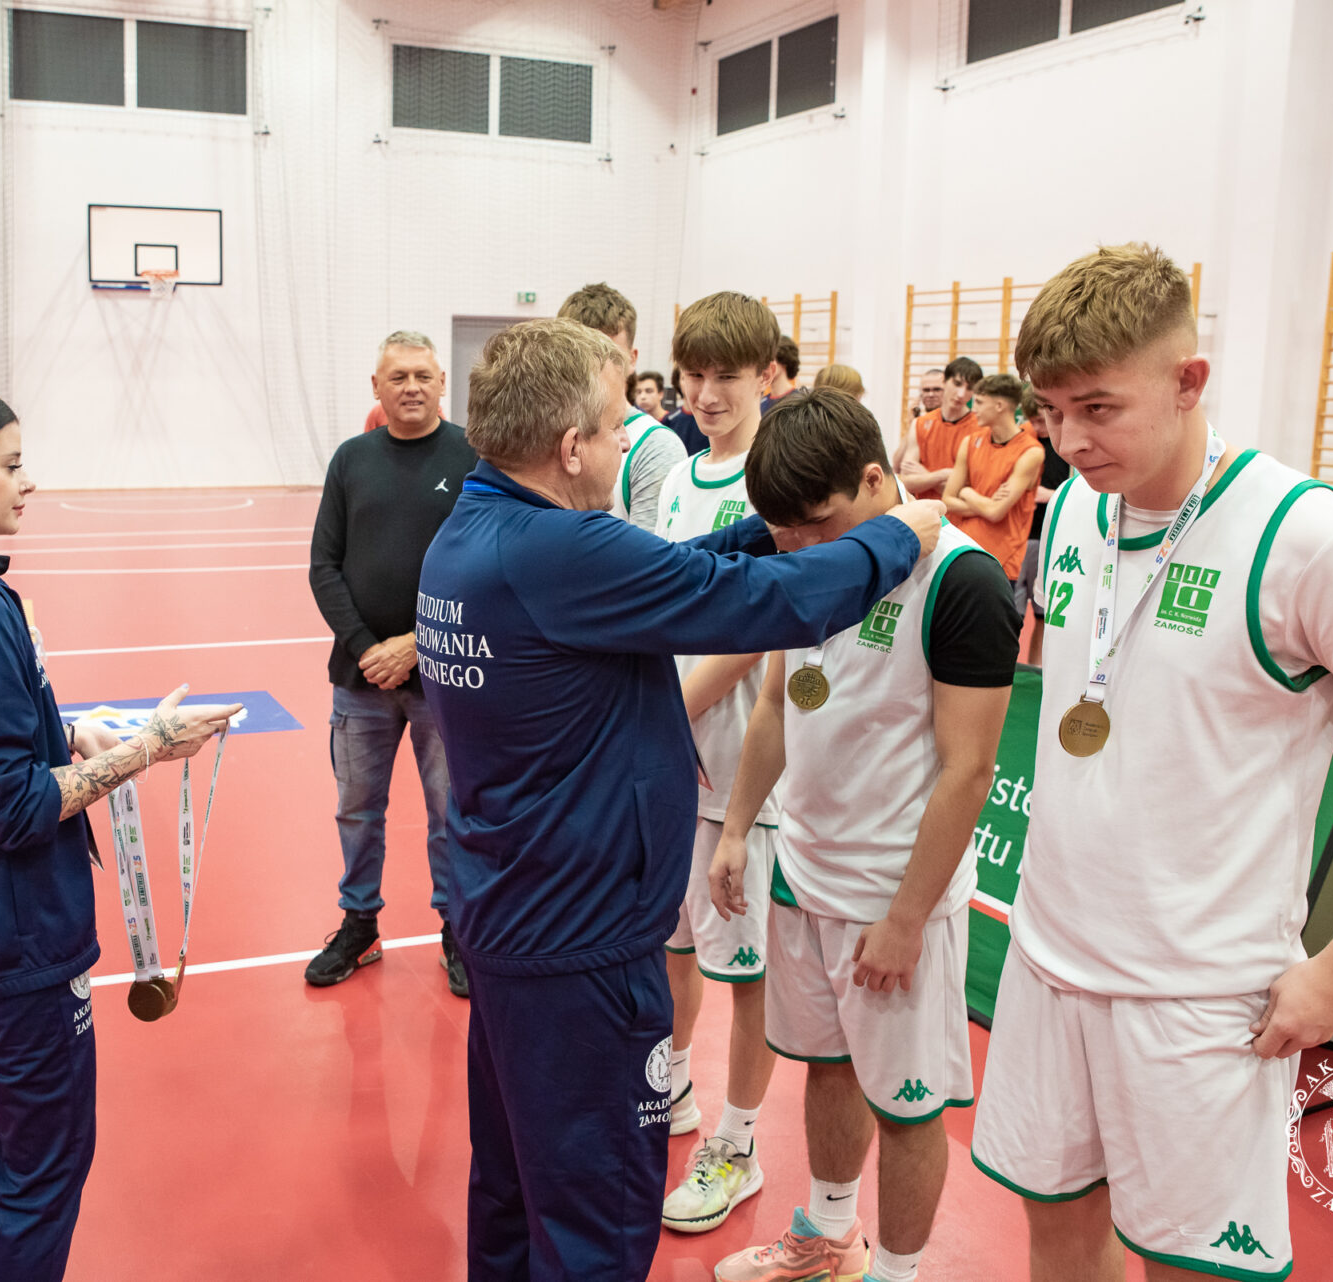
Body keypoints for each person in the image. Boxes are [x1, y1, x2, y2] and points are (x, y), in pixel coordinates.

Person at [969, 244, 1333, 1282]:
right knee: (1056, 1230)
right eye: (1049, 411)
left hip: (1199, 996)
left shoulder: (1309, 538)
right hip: (1046, 959)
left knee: (1189, 1266)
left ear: (1188, 381)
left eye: (1097, 407)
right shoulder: (1078, 501)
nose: (1070, 439)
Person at [415, 317, 945, 1282]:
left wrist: (782, 523)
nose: (628, 444)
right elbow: (754, 600)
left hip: (512, 918)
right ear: (572, 448)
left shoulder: (475, 533)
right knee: (598, 1213)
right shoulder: (554, 553)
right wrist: (893, 542)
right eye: (617, 429)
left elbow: (691, 566)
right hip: (580, 943)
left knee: (514, 1189)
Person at [0, 380, 238, 1282]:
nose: (28, 483)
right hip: (9, 934)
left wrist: (66, 735)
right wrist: (144, 750)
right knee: (43, 1163)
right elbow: (9, 805)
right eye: (11, 464)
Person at [710, 388, 1018, 1282]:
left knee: (909, 1110)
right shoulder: (811, 565)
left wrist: (909, 917)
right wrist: (737, 830)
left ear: (878, 479)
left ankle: (898, 1273)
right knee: (827, 1070)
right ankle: (828, 1237)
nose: (798, 546)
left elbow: (970, 771)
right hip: (802, 874)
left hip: (893, 902)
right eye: (781, 531)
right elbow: (774, 704)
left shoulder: (962, 582)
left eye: (815, 522)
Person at [653, 292, 785, 1233]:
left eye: (724, 378)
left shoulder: (779, 476)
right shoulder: (677, 477)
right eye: (693, 376)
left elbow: (757, 627)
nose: (704, 393)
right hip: (674, 755)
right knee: (674, 940)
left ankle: (737, 1145)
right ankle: (673, 1082)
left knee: (749, 971)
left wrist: (668, 711)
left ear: (766, 378)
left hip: (744, 761)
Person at [308, 331, 477, 995]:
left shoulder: (471, 456)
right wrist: (365, 647)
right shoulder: (352, 460)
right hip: (360, 680)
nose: (410, 386)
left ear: (442, 383)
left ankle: (456, 929)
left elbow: (479, 565)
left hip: (447, 677)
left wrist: (419, 642)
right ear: (375, 388)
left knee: (451, 811)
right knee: (357, 808)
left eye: (422, 375)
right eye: (396, 376)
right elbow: (324, 565)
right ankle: (359, 924)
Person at [559, 283, 687, 532]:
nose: (596, 369)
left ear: (632, 359)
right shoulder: (547, 434)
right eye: (584, 356)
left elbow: (650, 562)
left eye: (610, 356)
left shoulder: (654, 446)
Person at [943, 372, 1044, 585]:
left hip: (1002, 562)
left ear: (999, 406)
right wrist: (985, 503)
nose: (973, 408)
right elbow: (947, 500)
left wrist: (966, 491)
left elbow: (995, 512)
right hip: (963, 551)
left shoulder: (1031, 451)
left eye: (979, 402)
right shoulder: (970, 442)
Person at [1015, 388, 1072, 663]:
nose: (1039, 428)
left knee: (1043, 611)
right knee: (1013, 610)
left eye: (1042, 420)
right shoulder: (1024, 442)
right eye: (1033, 422)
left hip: (1052, 535)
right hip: (1022, 535)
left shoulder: (1066, 443)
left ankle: (1036, 667)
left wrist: (1052, 496)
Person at [893, 357, 983, 499]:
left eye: (969, 388)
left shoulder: (981, 428)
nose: (961, 394)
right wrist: (943, 475)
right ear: (944, 381)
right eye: (957, 384)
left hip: (960, 516)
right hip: (925, 513)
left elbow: (973, 492)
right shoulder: (921, 423)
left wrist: (926, 476)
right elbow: (906, 482)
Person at [665, 368, 706, 455]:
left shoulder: (710, 417)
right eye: (684, 378)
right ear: (678, 382)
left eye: (696, 376)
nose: (688, 383)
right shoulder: (670, 419)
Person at [760, 336, 801, 412]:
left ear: (784, 360)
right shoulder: (761, 404)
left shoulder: (799, 402)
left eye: (770, 359)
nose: (765, 364)